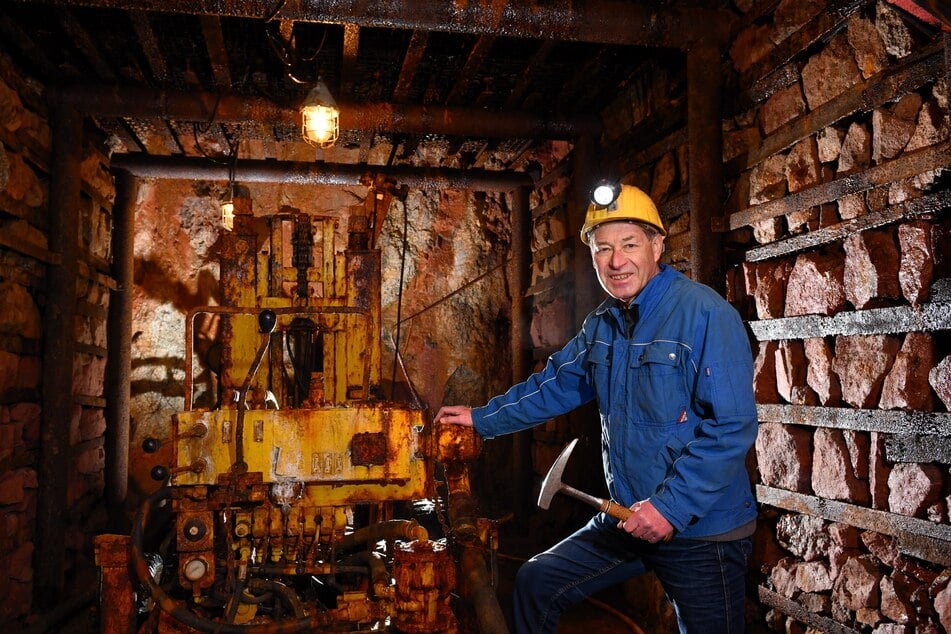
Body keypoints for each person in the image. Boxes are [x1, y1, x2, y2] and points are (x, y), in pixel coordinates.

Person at [434, 183, 758, 634]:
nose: (616, 261)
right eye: (603, 249)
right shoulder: (603, 325)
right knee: (536, 581)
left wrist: (668, 508)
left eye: (629, 245)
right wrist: (481, 419)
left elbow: (731, 427)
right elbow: (554, 386)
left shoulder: (705, 315)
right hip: (626, 518)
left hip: (702, 529)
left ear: (657, 246)